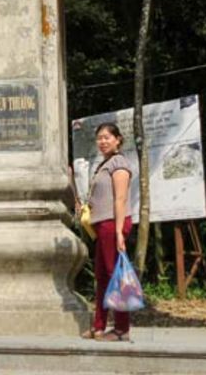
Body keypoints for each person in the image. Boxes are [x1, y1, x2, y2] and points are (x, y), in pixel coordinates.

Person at [79, 122, 133, 341]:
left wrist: (120, 232)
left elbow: (120, 199)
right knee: (102, 277)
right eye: (99, 138)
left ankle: (122, 328)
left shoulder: (119, 163)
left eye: (107, 137)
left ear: (118, 139)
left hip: (114, 225)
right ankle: (99, 326)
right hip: (102, 225)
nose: (102, 142)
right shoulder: (104, 164)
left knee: (114, 275)